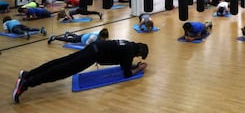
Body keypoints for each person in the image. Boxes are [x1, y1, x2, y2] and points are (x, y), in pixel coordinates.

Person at [13, 39, 149, 103]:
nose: (137, 58)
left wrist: (132, 65)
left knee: (61, 62)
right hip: (92, 55)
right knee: (62, 71)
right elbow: (126, 74)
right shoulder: (129, 53)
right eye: (139, 56)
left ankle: (28, 74)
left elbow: (123, 64)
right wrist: (138, 69)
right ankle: (26, 83)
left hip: (93, 47)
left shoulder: (129, 45)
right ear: (139, 52)